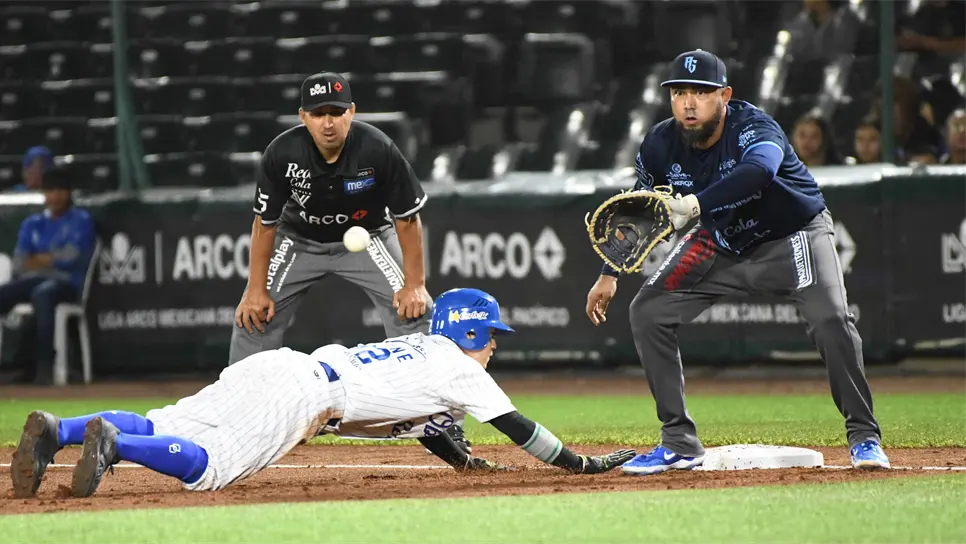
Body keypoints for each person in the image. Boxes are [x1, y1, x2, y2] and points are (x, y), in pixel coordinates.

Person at [10, 288, 635, 499]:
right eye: (491, 335)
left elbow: (429, 428)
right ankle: (113, 446)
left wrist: (465, 461)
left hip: (281, 364)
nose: (495, 345)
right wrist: (580, 463)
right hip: (305, 394)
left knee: (165, 419)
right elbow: (523, 430)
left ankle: (61, 432)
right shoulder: (464, 369)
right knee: (212, 468)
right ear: (470, 330)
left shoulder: (424, 355)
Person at [584, 49, 889, 476]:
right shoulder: (659, 142)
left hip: (793, 234)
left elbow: (758, 173)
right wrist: (608, 274)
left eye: (702, 93)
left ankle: (864, 437)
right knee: (648, 311)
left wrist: (692, 206)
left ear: (724, 95)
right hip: (722, 240)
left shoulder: (753, 126)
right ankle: (678, 443)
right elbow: (639, 208)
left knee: (831, 319)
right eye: (679, 93)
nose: (689, 103)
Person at [0, 167, 96, 385]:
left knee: (42, 293)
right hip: (34, 280)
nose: (56, 195)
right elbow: (19, 263)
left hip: (67, 283)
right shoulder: (32, 223)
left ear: (69, 193)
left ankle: (45, 366)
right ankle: (14, 363)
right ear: (44, 193)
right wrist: (51, 258)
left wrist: (38, 259)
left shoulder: (81, 220)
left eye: (61, 190)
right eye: (51, 190)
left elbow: (72, 258)